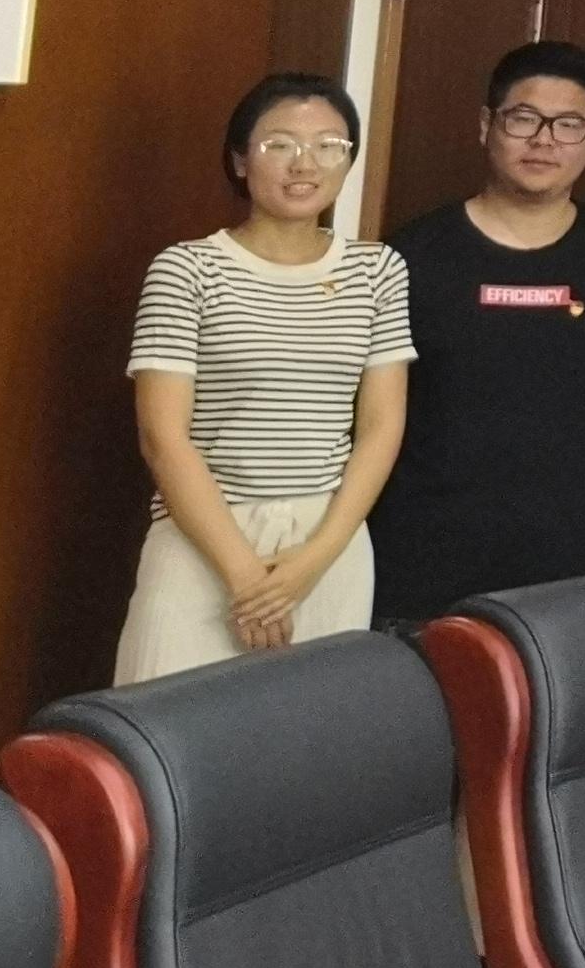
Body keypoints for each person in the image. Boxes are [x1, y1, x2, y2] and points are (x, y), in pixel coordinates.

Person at [371, 41, 585, 627]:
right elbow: (369, 415)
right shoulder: (410, 256)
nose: (544, 140)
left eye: (568, 125)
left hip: (569, 564)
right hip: (421, 557)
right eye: (524, 118)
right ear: (486, 125)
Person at [116, 73, 415, 678]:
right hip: (205, 538)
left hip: (328, 543)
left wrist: (309, 564)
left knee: (313, 727)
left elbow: (381, 427)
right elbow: (162, 438)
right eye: (280, 144)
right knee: (171, 723)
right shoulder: (187, 268)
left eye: (329, 145)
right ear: (240, 160)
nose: (305, 163)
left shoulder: (377, 270)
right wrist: (246, 578)